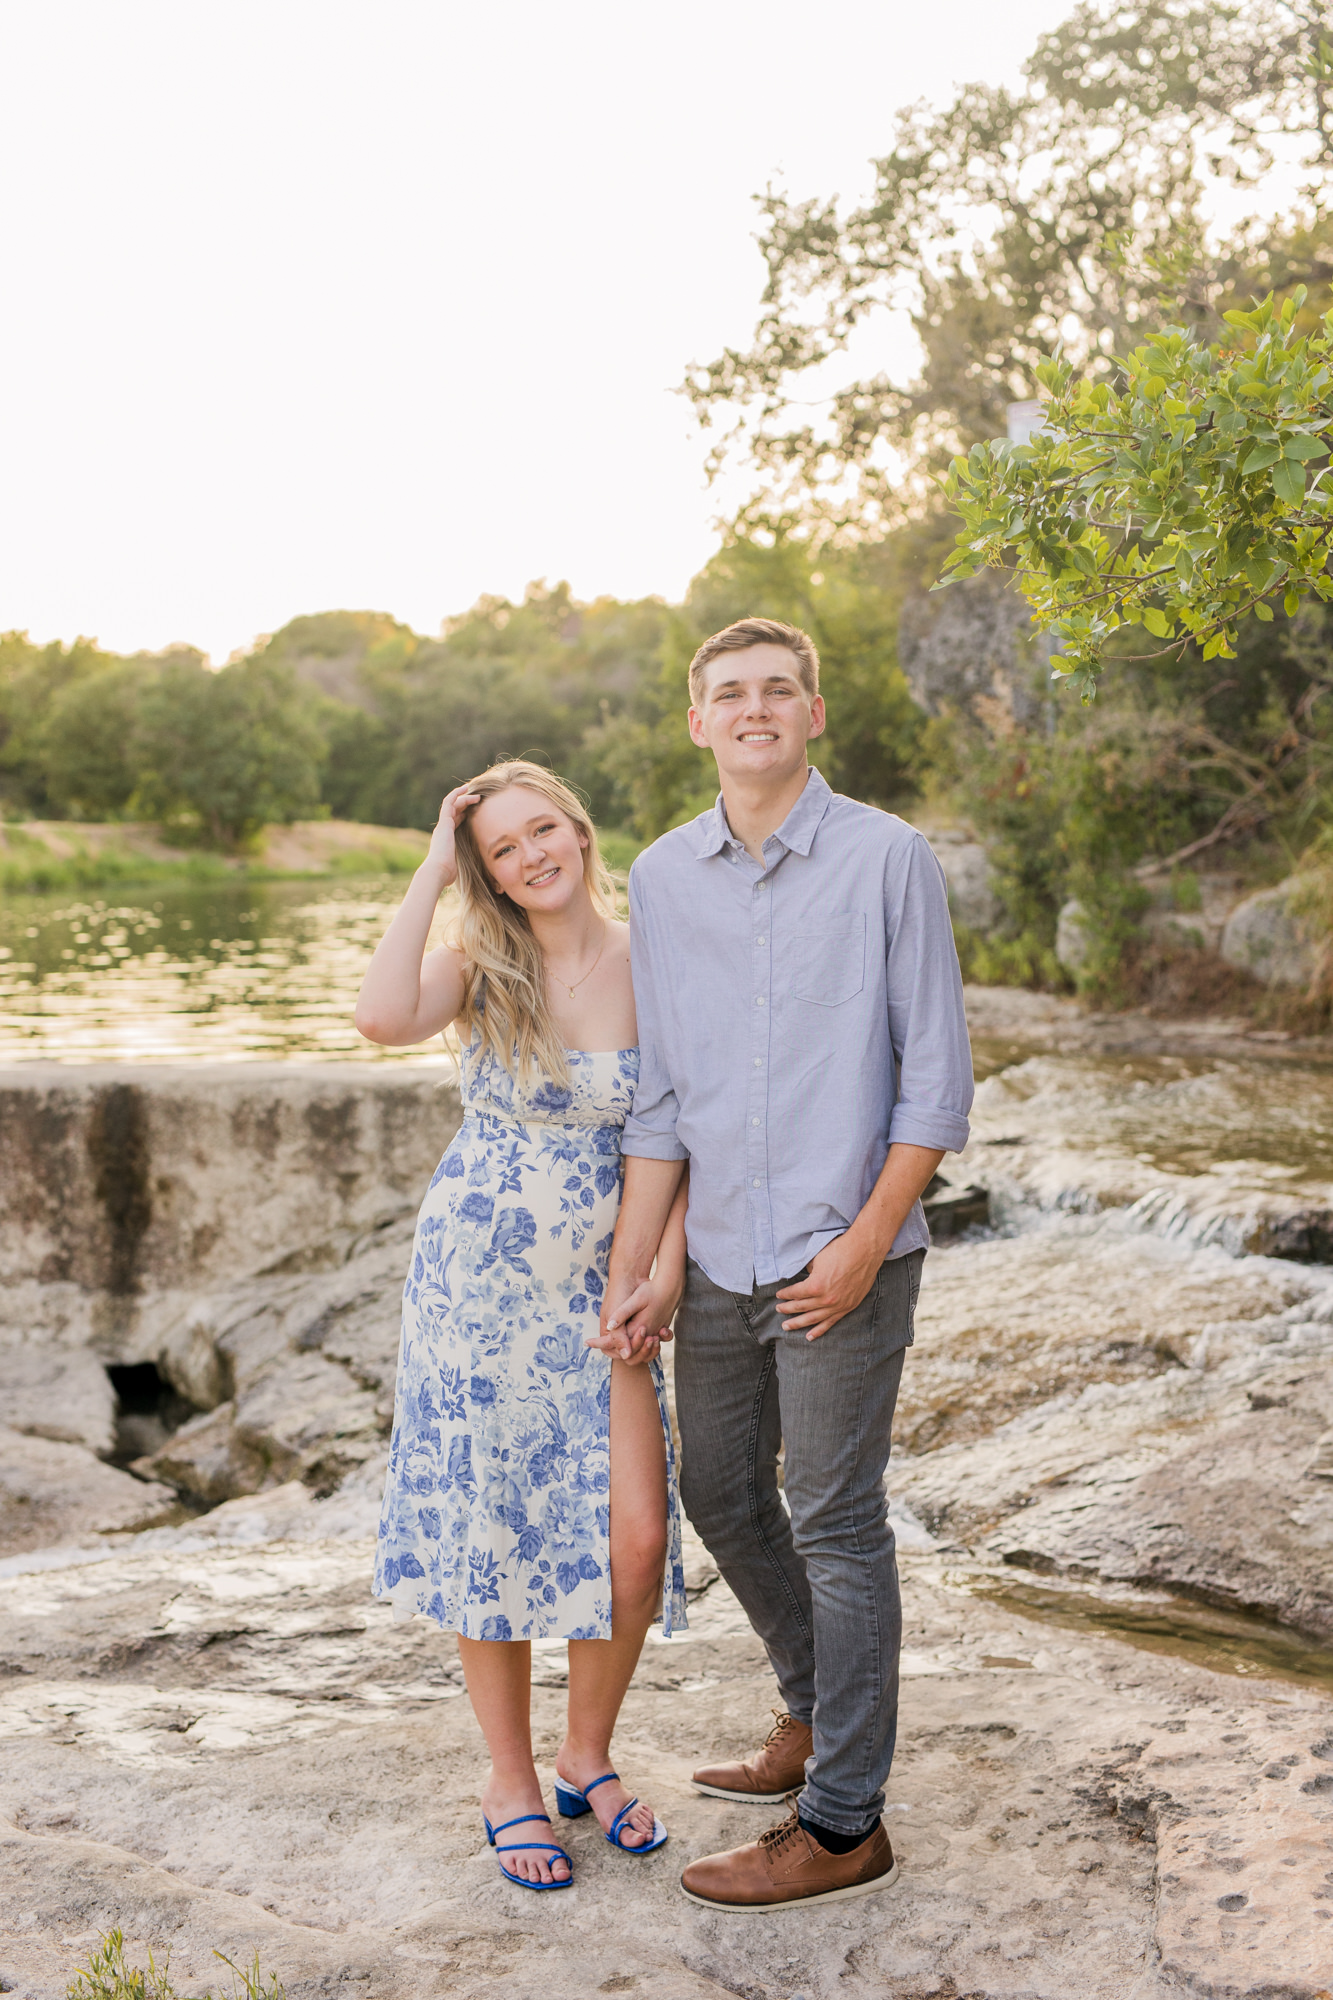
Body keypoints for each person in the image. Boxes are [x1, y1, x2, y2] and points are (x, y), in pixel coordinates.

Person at [599, 618, 973, 1912]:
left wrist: (867, 1243)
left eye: (777, 690)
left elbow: (935, 1081)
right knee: (722, 1498)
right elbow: (663, 1096)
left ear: (814, 714)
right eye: (728, 694)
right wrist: (642, 1261)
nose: (753, 708)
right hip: (711, 1258)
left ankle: (844, 1821)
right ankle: (815, 1714)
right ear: (697, 722)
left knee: (833, 1516)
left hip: (841, 1255)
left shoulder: (887, 858)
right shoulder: (659, 877)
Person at [355, 761, 688, 1891]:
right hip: (477, 1293)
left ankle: (583, 1753)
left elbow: (691, 1128)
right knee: (489, 1526)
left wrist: (664, 1268)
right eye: (502, 847)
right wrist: (428, 864)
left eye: (542, 828)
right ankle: (510, 1778)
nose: (531, 853)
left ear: (581, 831)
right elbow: (378, 1015)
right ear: (483, 870)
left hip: (610, 1288)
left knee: (632, 1536)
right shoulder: (480, 965)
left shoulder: (661, 955)